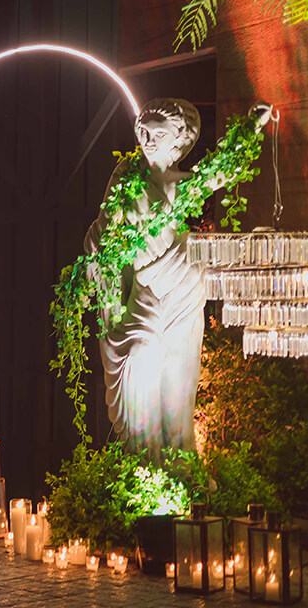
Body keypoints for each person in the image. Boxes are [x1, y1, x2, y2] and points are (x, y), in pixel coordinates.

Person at [85, 98, 271, 457]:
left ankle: (177, 458)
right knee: (139, 353)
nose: (148, 140)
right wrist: (96, 248)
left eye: (158, 134)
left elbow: (221, 170)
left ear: (179, 140)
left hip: (184, 285)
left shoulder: (184, 185)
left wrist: (251, 128)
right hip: (146, 286)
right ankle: (144, 456)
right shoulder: (127, 178)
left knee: (177, 375)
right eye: (144, 132)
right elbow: (104, 227)